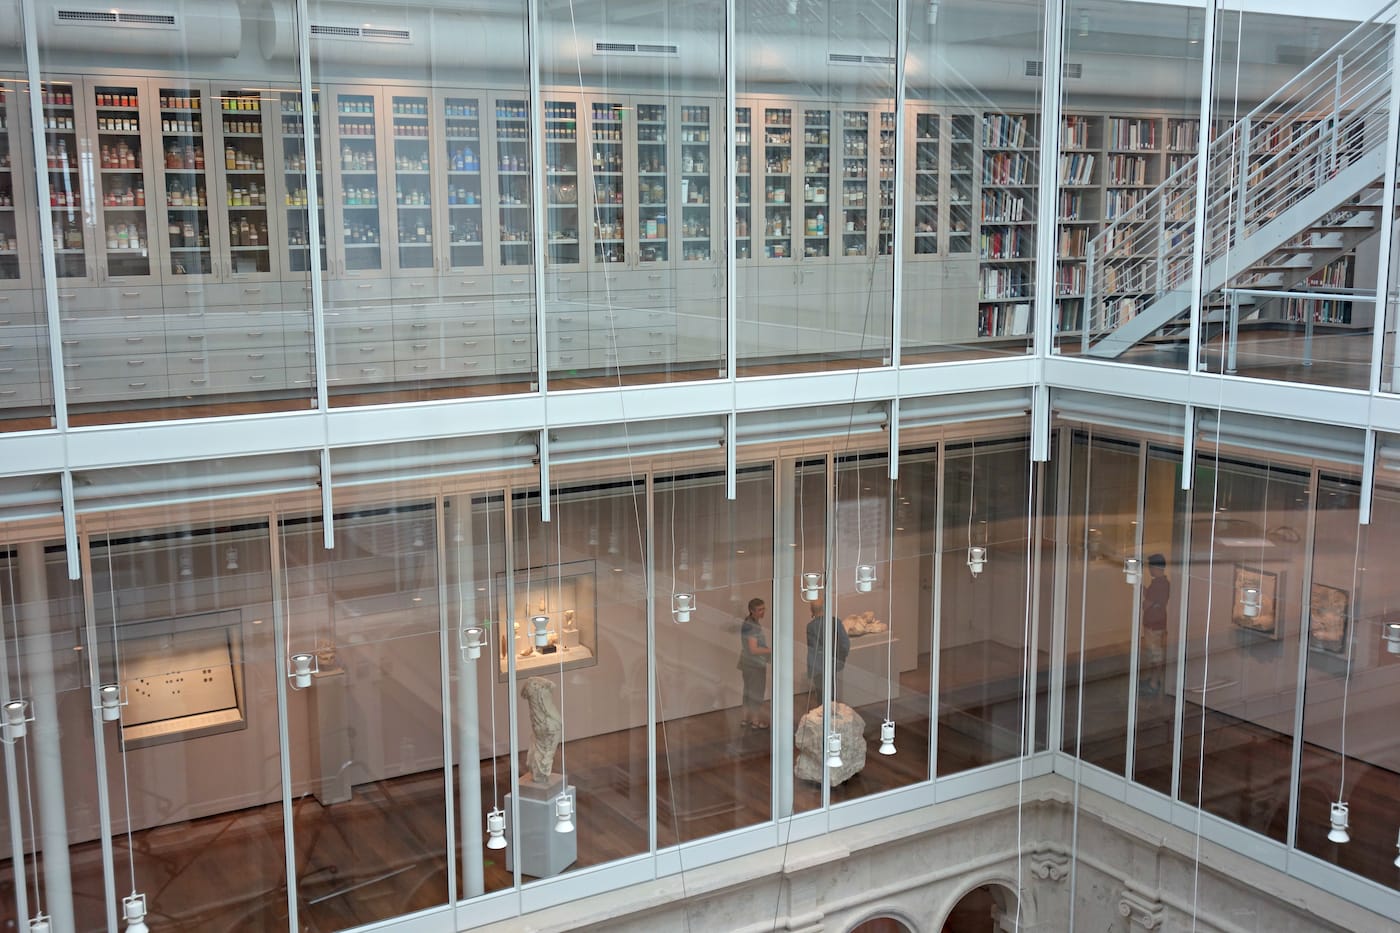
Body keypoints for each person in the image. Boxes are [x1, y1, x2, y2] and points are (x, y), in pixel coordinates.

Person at [805, 598, 850, 708]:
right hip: (834, 662)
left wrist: (811, 669)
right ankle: (831, 716)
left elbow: (813, 649)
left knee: (821, 694)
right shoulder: (836, 622)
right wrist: (841, 658)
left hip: (819, 666)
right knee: (832, 691)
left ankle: (824, 718)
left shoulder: (811, 627)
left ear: (812, 610)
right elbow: (845, 643)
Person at [736, 597, 772, 728]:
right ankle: (755, 722)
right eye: (759, 610)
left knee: (748, 691)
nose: (762, 612)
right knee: (756, 692)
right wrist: (770, 649)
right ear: (752, 611)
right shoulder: (752, 626)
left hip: (747, 663)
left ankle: (745, 719)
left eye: (763, 609)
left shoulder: (748, 622)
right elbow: (753, 648)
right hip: (754, 664)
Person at [1140, 553, 1170, 697]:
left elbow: (1146, 605)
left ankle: (1153, 684)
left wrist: (1145, 601)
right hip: (1158, 624)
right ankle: (1153, 680)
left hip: (1153, 626)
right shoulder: (1163, 583)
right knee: (1154, 655)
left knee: (1155, 655)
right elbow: (1151, 600)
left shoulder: (1157, 585)